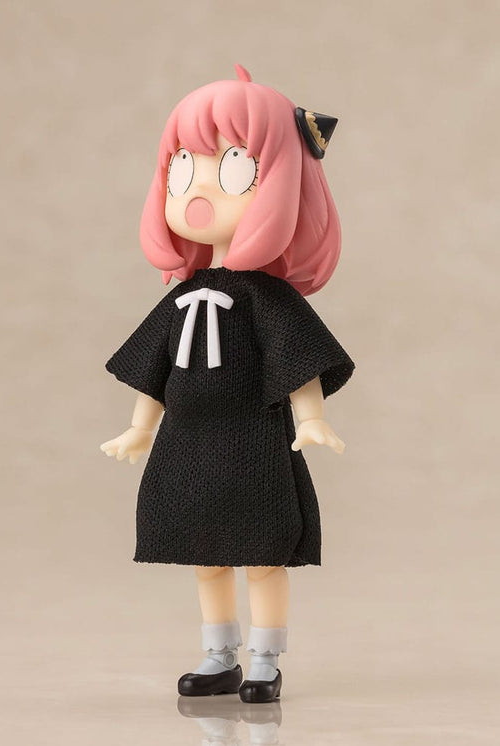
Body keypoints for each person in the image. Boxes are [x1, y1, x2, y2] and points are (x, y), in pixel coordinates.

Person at [101, 65, 355, 703]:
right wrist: (138, 428)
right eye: (184, 167)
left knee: (264, 555)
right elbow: (154, 367)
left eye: (236, 168)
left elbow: (298, 359)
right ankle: (219, 655)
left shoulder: (268, 300)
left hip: (254, 443)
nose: (199, 189)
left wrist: (311, 418)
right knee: (205, 555)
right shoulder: (180, 297)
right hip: (188, 444)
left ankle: (265, 660)